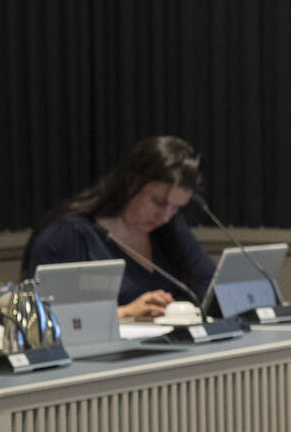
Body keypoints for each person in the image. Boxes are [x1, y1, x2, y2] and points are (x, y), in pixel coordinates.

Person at [24, 137, 214, 322]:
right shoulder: (68, 236)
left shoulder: (170, 230)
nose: (165, 217)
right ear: (132, 182)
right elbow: (46, 318)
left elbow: (209, 291)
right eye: (158, 202)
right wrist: (124, 313)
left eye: (176, 208)